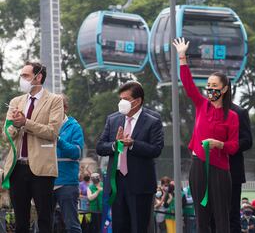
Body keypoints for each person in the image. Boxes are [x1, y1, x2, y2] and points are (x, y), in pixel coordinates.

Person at [173, 37, 239, 233]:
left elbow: (234, 146)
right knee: (201, 215)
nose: (210, 89)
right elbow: (187, 84)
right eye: (208, 85)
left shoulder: (232, 116)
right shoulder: (202, 105)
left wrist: (219, 144)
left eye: (215, 86)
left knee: (221, 217)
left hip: (220, 168)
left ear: (224, 89)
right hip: (199, 165)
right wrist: (182, 57)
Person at [2, 61, 64, 233]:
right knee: (20, 219)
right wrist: (15, 125)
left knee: (45, 218)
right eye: (21, 75)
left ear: (39, 77)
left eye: (26, 76)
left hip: (42, 169)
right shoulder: (16, 101)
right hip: (17, 168)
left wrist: (26, 123)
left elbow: (52, 132)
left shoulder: (54, 100)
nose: (22, 79)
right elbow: (6, 133)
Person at [96, 81, 164, 233]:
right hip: (117, 183)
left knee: (139, 227)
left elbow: (156, 149)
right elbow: (100, 147)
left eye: (126, 99)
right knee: (119, 227)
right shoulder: (113, 119)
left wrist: (133, 144)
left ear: (138, 101)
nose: (122, 102)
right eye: (120, 98)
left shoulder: (153, 120)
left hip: (140, 185)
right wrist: (115, 144)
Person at [53, 94, 84, 233]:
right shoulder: (43, 126)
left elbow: (76, 152)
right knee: (45, 224)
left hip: (67, 184)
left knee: (71, 225)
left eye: (56, 107)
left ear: (65, 108)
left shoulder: (74, 127)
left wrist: (58, 140)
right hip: (45, 181)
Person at [229, 103, 253, 233]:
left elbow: (247, 141)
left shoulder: (239, 112)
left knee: (232, 215)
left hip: (232, 172)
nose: (211, 90)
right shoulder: (207, 111)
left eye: (215, 86)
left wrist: (226, 146)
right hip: (211, 171)